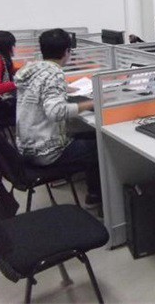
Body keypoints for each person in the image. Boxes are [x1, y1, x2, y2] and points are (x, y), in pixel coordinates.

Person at [15, 29, 101, 207]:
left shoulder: (33, 69)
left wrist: (64, 88)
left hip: (27, 146)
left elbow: (40, 92)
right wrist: (90, 104)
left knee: (88, 134)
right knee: (100, 145)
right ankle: (96, 197)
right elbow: (56, 112)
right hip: (46, 152)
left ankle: (94, 193)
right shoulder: (55, 74)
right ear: (67, 52)